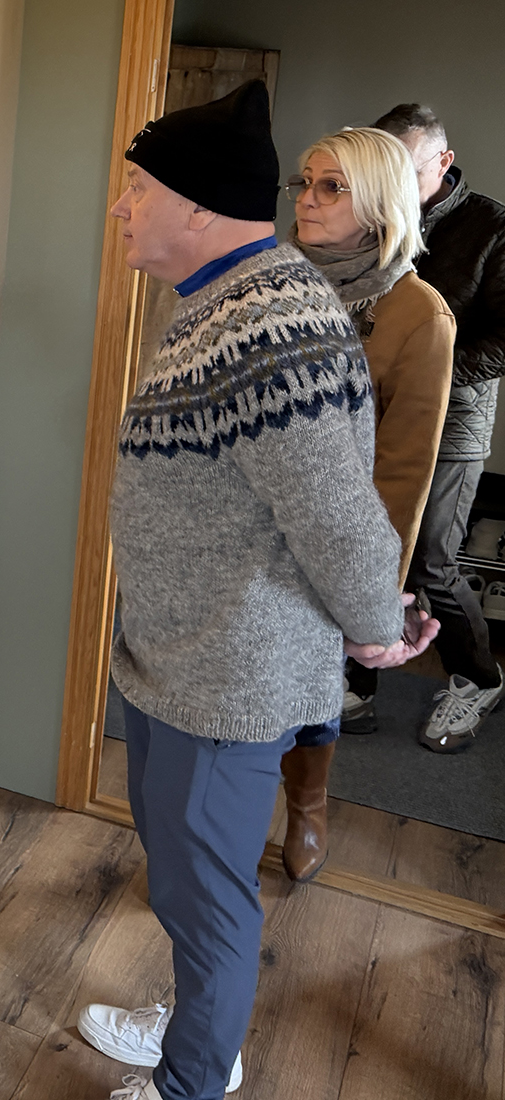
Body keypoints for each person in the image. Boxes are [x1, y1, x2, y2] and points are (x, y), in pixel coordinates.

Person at [80, 81, 437, 1100]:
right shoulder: (223, 300)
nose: (120, 207)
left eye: (137, 189)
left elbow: (336, 514)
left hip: (227, 679)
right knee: (182, 878)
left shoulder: (271, 328)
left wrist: (377, 627)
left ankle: (194, 1078)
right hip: (178, 658)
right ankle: (201, 1024)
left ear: (196, 207)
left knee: (209, 899)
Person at [279, 127, 455, 881]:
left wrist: (375, 588)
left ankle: (307, 805)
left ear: (380, 203)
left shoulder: (419, 315)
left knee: (314, 683)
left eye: (332, 187)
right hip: (257, 522)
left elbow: (405, 470)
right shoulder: (273, 282)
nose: (308, 200)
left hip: (339, 534)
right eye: (304, 183)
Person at [363, 103, 505, 753]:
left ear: (443, 162)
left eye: (404, 168)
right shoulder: (372, 214)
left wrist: (430, 371)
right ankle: (357, 677)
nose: (389, 183)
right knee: (365, 544)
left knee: (430, 559)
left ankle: (479, 678)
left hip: (454, 416)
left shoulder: (491, 227)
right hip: (372, 408)